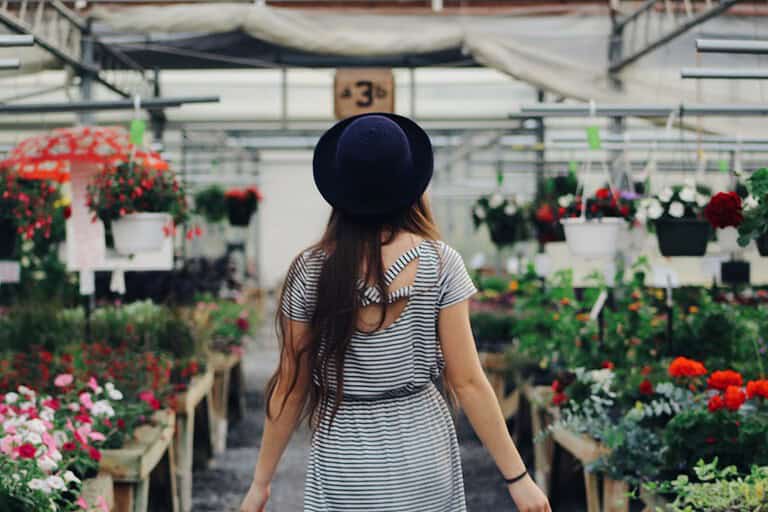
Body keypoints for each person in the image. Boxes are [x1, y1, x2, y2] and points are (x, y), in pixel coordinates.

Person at [240, 113, 551, 512]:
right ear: (411, 186)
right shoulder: (440, 264)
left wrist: (260, 484)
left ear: (340, 186)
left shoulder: (309, 271)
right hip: (423, 454)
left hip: (344, 460)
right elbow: (469, 382)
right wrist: (518, 479)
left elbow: (290, 385)